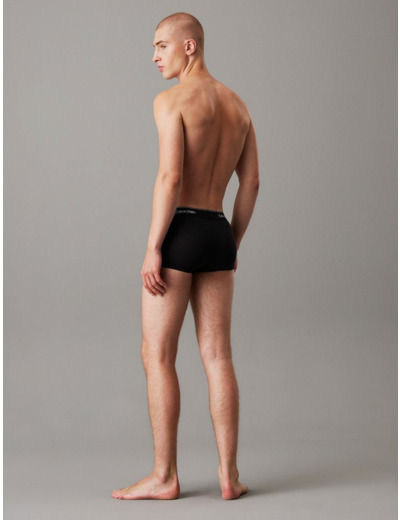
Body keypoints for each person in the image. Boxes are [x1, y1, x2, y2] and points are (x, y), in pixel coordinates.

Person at [111, 11, 259, 501]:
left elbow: (170, 178)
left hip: (181, 232)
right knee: (218, 355)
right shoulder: (238, 106)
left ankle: (164, 476)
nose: (154, 57)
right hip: (217, 231)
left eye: (161, 46)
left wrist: (154, 247)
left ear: (189, 46)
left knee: (156, 354)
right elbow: (252, 183)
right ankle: (229, 476)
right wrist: (232, 241)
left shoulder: (171, 100)